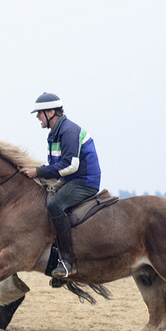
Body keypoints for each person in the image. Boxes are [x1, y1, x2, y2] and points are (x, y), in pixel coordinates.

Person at [20, 92, 101, 278]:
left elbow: (71, 165)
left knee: (54, 204)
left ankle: (68, 262)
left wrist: (38, 172)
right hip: (70, 180)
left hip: (84, 182)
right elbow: (57, 166)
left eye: (39, 113)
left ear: (50, 112)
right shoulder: (55, 133)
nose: (38, 117)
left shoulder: (68, 131)